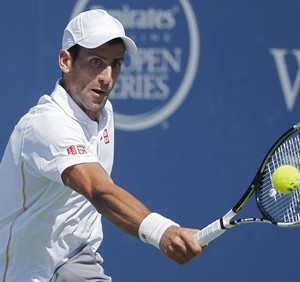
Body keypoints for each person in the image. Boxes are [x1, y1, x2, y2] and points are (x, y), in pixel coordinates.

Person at [0, 9, 203, 281]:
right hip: (22, 273)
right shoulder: (47, 124)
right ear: (65, 60)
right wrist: (162, 231)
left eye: (116, 64)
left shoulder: (104, 115)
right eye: (96, 62)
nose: (107, 77)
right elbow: (99, 191)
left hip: (76, 262)